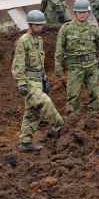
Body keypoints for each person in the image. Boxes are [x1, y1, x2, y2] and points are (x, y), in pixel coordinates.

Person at [11, 10, 64, 151]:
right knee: (45, 102)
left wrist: (44, 80)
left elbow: (39, 64)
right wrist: (21, 82)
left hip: (38, 81)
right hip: (29, 82)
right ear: (30, 24)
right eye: (37, 25)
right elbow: (18, 64)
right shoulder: (24, 41)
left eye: (41, 25)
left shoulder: (38, 40)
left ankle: (25, 143)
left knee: (32, 112)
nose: (40, 27)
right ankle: (61, 128)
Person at [54, 0, 99, 112]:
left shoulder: (94, 29)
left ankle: (94, 119)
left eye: (84, 12)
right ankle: (73, 122)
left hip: (92, 67)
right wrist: (57, 64)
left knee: (96, 95)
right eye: (79, 12)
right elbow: (59, 48)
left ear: (88, 13)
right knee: (73, 97)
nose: (82, 15)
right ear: (75, 13)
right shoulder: (66, 29)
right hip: (74, 68)